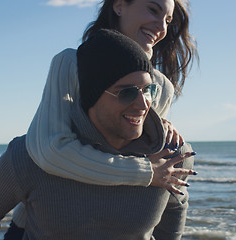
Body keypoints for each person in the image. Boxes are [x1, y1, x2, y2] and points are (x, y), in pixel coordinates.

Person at [0, 29, 195, 239]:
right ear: (91, 96)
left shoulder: (172, 155)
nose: (143, 104)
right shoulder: (28, 156)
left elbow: (176, 208)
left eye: (148, 90)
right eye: (127, 93)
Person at [25, 0, 198, 191]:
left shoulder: (162, 87)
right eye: (152, 10)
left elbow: (139, 155)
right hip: (42, 213)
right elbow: (51, 151)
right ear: (119, 6)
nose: (161, 27)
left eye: (167, 20)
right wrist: (145, 173)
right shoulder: (71, 63)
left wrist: (156, 127)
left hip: (109, 213)